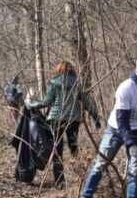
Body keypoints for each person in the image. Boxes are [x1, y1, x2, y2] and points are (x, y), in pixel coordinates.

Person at [78, 54, 137, 198]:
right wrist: (130, 143)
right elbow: (122, 119)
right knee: (100, 164)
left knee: (135, 170)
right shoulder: (126, 88)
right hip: (117, 130)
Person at [27, 60, 101, 188]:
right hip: (73, 119)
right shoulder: (76, 84)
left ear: (58, 70)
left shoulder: (54, 83)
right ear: (72, 71)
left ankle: (60, 182)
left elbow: (46, 102)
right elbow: (86, 102)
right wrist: (95, 117)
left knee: (57, 150)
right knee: (74, 147)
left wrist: (31, 105)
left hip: (56, 119)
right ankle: (80, 177)